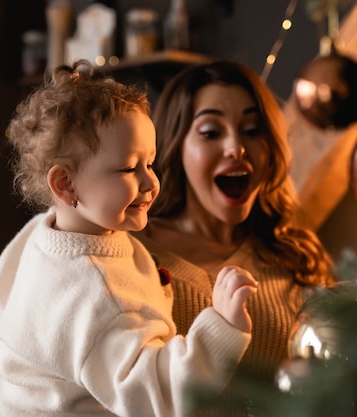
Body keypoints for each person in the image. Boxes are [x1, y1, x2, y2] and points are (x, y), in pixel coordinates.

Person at [0, 59, 258, 417]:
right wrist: (221, 326)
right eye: (129, 168)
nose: (150, 182)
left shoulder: (40, 231)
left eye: (150, 163)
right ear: (66, 184)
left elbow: (5, 283)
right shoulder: (101, 295)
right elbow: (159, 395)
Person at [132, 59, 337, 415]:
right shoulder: (127, 254)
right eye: (211, 132)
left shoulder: (299, 258)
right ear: (176, 147)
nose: (236, 148)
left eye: (253, 130)